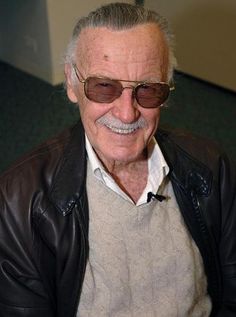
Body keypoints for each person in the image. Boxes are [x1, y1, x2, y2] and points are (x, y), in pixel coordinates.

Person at [0, 2, 235, 317]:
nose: (127, 114)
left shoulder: (211, 167)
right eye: (103, 87)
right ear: (71, 83)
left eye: (148, 89)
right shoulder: (19, 200)